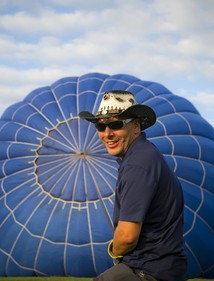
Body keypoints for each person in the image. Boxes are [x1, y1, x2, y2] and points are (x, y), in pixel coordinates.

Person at [79, 90, 187, 281]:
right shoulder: (143, 155)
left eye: (116, 124)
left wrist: (114, 250)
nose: (107, 134)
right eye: (100, 127)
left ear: (136, 127)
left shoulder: (138, 164)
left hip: (148, 270)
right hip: (156, 267)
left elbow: (127, 237)